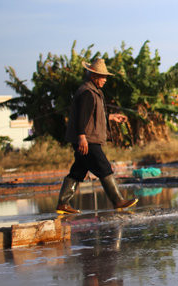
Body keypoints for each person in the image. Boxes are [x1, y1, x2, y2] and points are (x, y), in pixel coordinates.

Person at [55, 58, 138, 214]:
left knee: (78, 171)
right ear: (94, 76)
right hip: (88, 139)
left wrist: (111, 117)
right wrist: (81, 137)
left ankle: (63, 203)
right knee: (104, 167)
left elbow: (94, 115)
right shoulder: (87, 92)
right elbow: (82, 117)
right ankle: (118, 200)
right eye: (103, 77)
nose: (105, 80)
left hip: (87, 138)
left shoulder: (92, 91)